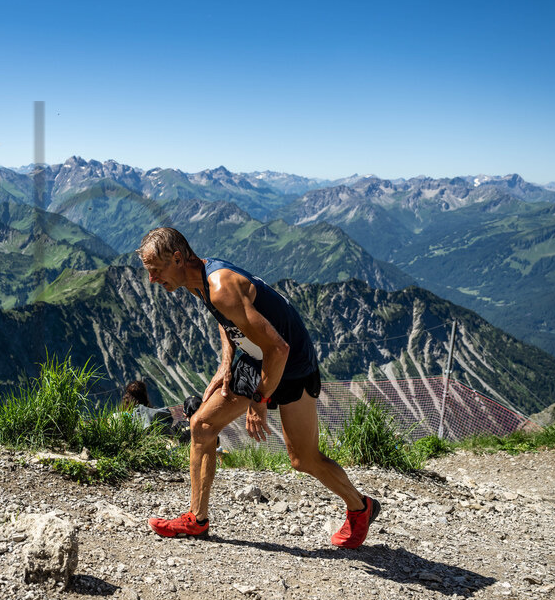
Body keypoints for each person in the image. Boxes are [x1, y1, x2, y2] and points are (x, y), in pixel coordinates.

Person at [137, 227, 380, 548]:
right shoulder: (196, 281)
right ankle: (196, 519)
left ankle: (361, 507)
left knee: (303, 460)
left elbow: (278, 350)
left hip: (291, 365)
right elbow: (229, 322)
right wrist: (226, 365)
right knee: (202, 425)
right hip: (255, 358)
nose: (152, 279)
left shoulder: (221, 285)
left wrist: (259, 400)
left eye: (155, 270)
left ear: (178, 259)